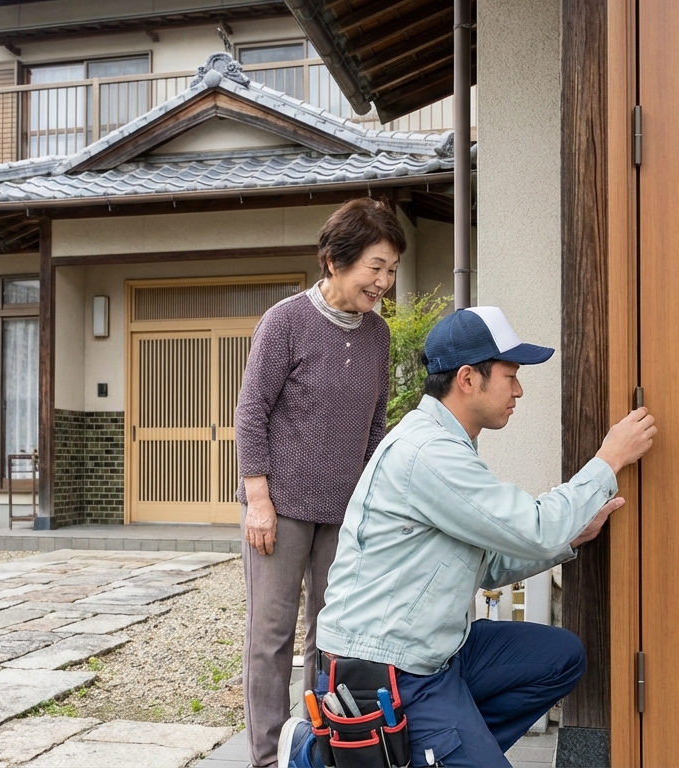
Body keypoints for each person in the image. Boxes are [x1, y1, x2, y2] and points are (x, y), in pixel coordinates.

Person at [281, 306, 656, 768]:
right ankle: (322, 754)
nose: (518, 389)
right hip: (389, 672)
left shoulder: (452, 444)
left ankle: (435, 746)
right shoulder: (428, 453)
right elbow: (535, 527)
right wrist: (608, 458)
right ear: (467, 379)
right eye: (509, 375)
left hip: (438, 656)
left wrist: (570, 540)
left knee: (561, 657)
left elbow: (487, 564)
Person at [235, 197, 407, 768]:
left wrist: (376, 505)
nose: (383, 281)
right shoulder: (285, 321)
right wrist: (257, 499)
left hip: (345, 511)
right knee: (272, 635)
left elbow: (376, 425)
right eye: (374, 267)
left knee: (333, 637)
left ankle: (318, 748)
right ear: (335, 260)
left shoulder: (377, 336)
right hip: (280, 509)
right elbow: (252, 410)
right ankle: (266, 757)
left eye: (390, 270)